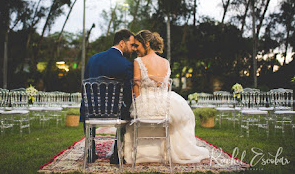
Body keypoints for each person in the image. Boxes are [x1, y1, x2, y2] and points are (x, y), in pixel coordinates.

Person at [123, 30, 210, 164]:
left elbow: (136, 86)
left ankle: (142, 153)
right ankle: (166, 151)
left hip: (145, 106)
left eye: (137, 45)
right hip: (165, 105)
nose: (135, 49)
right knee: (178, 117)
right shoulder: (165, 62)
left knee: (132, 118)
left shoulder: (138, 61)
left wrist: (137, 104)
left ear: (146, 44)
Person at [80, 28, 136, 164]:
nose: (133, 49)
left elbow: (84, 87)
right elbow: (128, 94)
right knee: (128, 109)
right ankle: (116, 153)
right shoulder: (127, 65)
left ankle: (91, 151)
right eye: (131, 44)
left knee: (86, 104)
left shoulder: (93, 59)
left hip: (90, 110)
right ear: (122, 43)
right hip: (114, 112)